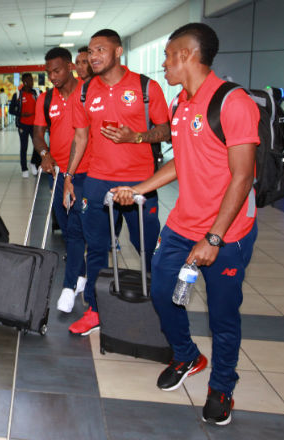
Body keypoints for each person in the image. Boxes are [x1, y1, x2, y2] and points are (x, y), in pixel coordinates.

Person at [111, 23, 258, 426]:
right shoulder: (180, 105)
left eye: (168, 55)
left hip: (227, 233)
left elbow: (242, 176)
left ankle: (222, 386)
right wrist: (139, 188)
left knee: (223, 316)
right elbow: (182, 161)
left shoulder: (233, 102)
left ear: (189, 55)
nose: (163, 64)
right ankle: (187, 355)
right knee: (162, 291)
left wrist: (214, 237)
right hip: (182, 225)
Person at [63, 29, 171, 336]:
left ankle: (157, 309)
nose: (94, 56)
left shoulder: (145, 87)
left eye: (101, 50)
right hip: (97, 182)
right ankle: (94, 311)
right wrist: (70, 177)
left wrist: (136, 136)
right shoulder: (85, 92)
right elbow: (81, 137)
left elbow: (165, 131)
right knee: (95, 249)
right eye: (91, 51)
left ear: (118, 51)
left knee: (148, 249)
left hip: (141, 182)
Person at [32, 47, 88, 314]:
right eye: (48, 72)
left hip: (87, 173)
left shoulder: (88, 92)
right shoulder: (45, 99)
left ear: (70, 67)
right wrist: (45, 154)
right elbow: (38, 135)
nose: (52, 76)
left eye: (57, 71)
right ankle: (81, 276)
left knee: (78, 230)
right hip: (58, 174)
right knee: (67, 230)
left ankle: (69, 286)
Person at [11, 73, 41, 178]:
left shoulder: (36, 93)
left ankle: (33, 163)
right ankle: (24, 168)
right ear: (24, 82)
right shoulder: (18, 95)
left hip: (35, 125)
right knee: (24, 147)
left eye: (32, 80)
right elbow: (11, 110)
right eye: (29, 81)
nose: (32, 83)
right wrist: (21, 114)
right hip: (22, 125)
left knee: (38, 146)